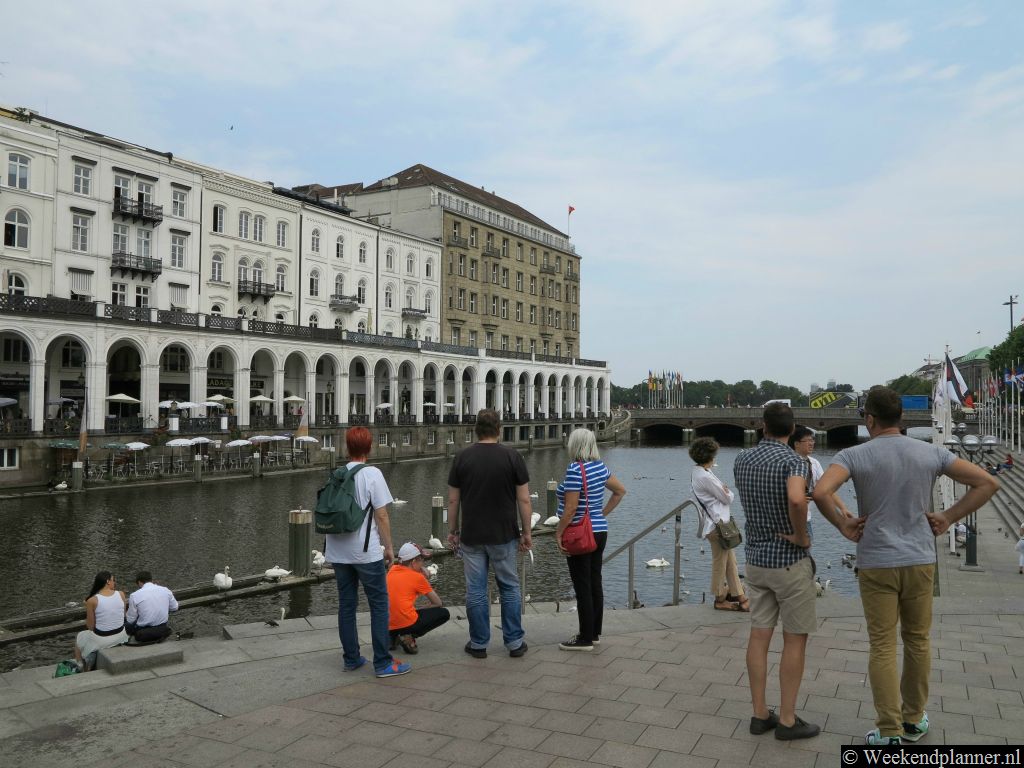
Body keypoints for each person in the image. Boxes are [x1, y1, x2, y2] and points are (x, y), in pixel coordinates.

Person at [813, 386, 997, 745]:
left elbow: (820, 492)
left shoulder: (853, 455)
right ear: (901, 418)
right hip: (919, 558)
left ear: (869, 419)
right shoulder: (931, 452)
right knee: (918, 640)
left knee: (882, 645)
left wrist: (842, 524)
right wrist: (947, 516)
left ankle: (888, 730)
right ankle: (914, 720)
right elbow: (986, 482)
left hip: (876, 560)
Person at [734, 402, 863, 741]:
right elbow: (796, 499)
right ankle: (788, 720)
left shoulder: (742, 459)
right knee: (794, 638)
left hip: (756, 560)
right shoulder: (795, 461)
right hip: (789, 560)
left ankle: (760, 713)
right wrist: (801, 536)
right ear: (792, 431)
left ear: (763, 426)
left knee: (759, 634)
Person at [447, 408, 532, 659]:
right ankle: (515, 642)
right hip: (504, 534)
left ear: (476, 430)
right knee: (509, 587)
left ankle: (478, 643)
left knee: (475, 590)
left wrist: (452, 531)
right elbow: (524, 500)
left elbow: (453, 501)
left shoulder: (462, 457)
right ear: (499, 430)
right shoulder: (512, 456)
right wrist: (526, 532)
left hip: (472, 535)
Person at [326, 426, 410, 678]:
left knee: (347, 605)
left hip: (337, 551)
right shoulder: (372, 473)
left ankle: (351, 658)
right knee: (379, 605)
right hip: (365, 552)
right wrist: (390, 548)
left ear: (347, 448)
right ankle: (383, 662)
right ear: (369, 448)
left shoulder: (338, 473)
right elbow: (382, 515)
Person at [554, 428, 626, 650]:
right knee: (595, 582)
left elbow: (571, 508)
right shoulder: (600, 467)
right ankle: (594, 632)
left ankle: (584, 637)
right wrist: (601, 514)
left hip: (579, 534)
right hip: (599, 532)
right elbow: (620, 491)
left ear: (574, 445)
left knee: (582, 584)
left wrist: (558, 532)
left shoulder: (575, 469)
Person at [689, 436, 749, 612]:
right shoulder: (706, 476)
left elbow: (723, 493)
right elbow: (728, 497)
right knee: (720, 563)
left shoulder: (700, 471)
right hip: (717, 526)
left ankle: (739, 595)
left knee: (731, 562)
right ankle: (719, 598)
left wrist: (724, 489)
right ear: (710, 456)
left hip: (717, 524)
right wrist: (726, 490)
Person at [387, 542, 450, 653]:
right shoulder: (418, 578)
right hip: (405, 622)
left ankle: (392, 637)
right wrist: (419, 609)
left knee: (396, 612)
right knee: (444, 613)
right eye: (421, 559)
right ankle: (408, 635)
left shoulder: (392, 570)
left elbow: (407, 572)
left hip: (388, 623)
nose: (423, 562)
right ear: (413, 561)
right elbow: (437, 603)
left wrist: (421, 569)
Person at [788, 426, 852, 528]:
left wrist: (842, 508)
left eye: (813, 440)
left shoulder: (814, 463)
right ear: (796, 444)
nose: (812, 443)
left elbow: (826, 489)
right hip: (786, 520)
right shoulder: (787, 462)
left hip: (805, 519)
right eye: (808, 441)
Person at [74, 571, 128, 671]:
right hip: (121, 636)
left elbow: (90, 627)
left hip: (102, 640)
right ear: (108, 581)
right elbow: (124, 616)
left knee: (80, 636)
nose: (114, 583)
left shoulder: (92, 600)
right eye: (113, 580)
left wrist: (89, 607)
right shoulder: (121, 594)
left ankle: (79, 664)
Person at [126, 570, 178, 643]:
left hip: (143, 629)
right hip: (162, 627)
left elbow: (131, 619)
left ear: (139, 582)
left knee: (126, 624)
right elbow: (175, 607)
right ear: (151, 580)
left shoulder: (134, 595)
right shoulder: (165, 590)